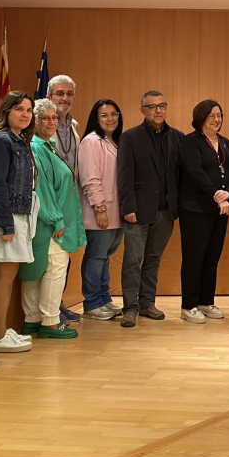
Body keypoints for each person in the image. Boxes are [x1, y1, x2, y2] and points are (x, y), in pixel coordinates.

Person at [17, 99, 87, 340]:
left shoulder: (49, 145)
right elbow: (41, 189)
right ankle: (50, 321)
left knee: (39, 270)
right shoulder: (36, 148)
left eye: (54, 117)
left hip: (50, 221)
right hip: (49, 223)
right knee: (54, 269)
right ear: (34, 121)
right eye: (45, 118)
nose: (51, 122)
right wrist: (57, 220)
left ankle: (32, 320)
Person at [116, 91, 182, 328]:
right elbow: (123, 175)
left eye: (162, 105)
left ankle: (147, 303)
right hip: (137, 211)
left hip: (166, 212)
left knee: (153, 259)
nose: (158, 110)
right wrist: (127, 206)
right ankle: (130, 307)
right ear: (142, 110)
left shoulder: (177, 138)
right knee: (133, 260)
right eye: (152, 106)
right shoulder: (130, 137)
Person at [0, 91, 38, 353]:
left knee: (8, 277)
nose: (25, 114)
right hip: (5, 217)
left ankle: (2, 331)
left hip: (19, 215)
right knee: (2, 280)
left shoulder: (19, 140)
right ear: (6, 111)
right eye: (19, 109)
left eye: (28, 110)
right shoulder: (0, 140)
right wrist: (6, 223)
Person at [179, 100, 229, 324]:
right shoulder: (190, 141)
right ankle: (188, 305)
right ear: (201, 118)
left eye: (219, 115)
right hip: (195, 210)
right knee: (194, 258)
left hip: (220, 210)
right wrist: (217, 194)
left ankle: (206, 301)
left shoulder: (225, 143)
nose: (216, 120)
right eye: (212, 116)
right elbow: (195, 172)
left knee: (212, 257)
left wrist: (228, 194)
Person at [78, 99, 125, 321]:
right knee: (96, 257)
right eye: (104, 115)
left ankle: (104, 298)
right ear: (96, 119)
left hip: (117, 212)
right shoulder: (91, 141)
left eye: (114, 114)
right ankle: (92, 303)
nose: (110, 119)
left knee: (105, 257)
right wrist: (99, 208)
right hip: (101, 211)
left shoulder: (113, 142)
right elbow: (90, 178)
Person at [47, 74, 82, 324]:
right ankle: (49, 310)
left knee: (64, 255)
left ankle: (59, 303)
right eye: (60, 93)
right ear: (49, 96)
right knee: (50, 259)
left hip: (68, 197)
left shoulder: (74, 126)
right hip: (49, 197)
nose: (65, 98)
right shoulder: (42, 123)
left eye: (69, 94)